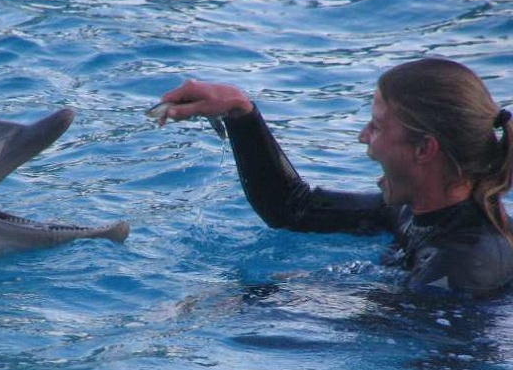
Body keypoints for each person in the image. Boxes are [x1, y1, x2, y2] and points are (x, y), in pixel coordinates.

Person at [157, 58, 513, 295]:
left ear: (425, 149)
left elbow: (409, 365)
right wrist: (240, 111)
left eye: (376, 126)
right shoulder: (414, 214)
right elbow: (293, 209)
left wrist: (274, 298)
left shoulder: (467, 265)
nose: (363, 137)